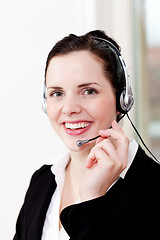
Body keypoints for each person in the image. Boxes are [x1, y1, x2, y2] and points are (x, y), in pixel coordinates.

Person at [13, 30, 160, 240]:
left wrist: (92, 201)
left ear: (122, 100)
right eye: (57, 93)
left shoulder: (152, 189)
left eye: (88, 91)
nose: (69, 108)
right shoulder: (42, 181)